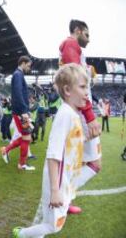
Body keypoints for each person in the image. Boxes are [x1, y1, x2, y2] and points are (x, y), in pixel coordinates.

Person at [12, 63, 88, 238]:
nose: (87, 92)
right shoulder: (65, 114)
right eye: (83, 87)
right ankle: (21, 234)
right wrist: (55, 189)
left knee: (51, 222)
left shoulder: (72, 113)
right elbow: (53, 155)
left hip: (67, 180)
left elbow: (72, 144)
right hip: (58, 182)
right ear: (67, 90)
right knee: (54, 226)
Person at [59, 19, 102, 214]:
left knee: (80, 161)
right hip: (81, 112)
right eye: (87, 34)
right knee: (94, 164)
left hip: (78, 111)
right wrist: (90, 115)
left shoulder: (74, 49)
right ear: (78, 31)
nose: (89, 39)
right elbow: (76, 82)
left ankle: (65, 199)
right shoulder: (71, 44)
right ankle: (63, 196)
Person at [0, 56, 35, 171]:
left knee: (27, 138)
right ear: (23, 63)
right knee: (26, 138)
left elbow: (19, 94)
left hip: (20, 112)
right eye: (28, 65)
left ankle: (6, 150)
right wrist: (24, 111)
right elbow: (18, 94)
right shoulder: (18, 74)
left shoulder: (18, 75)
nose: (29, 68)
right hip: (20, 112)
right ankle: (21, 164)